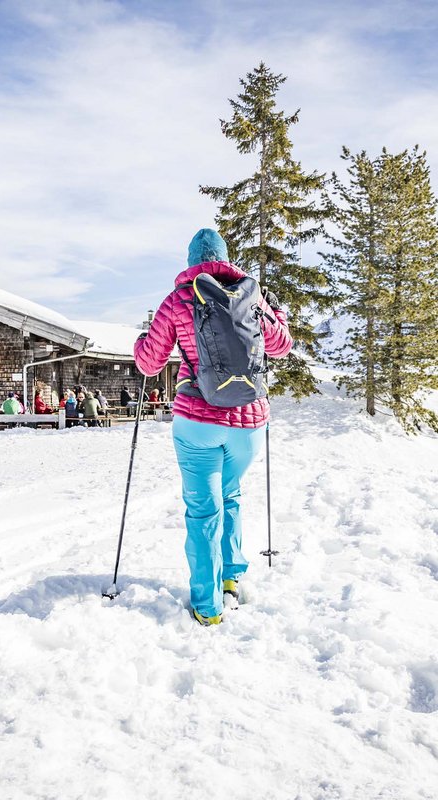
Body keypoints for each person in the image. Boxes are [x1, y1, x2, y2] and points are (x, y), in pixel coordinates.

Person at [134, 228, 292, 626]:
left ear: (191, 263)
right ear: (225, 259)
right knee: (231, 493)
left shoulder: (178, 299)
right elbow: (280, 346)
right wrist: (279, 314)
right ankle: (232, 579)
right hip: (249, 423)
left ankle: (207, 608)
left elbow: (150, 363)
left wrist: (141, 341)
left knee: (204, 510)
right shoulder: (250, 295)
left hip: (197, 422)